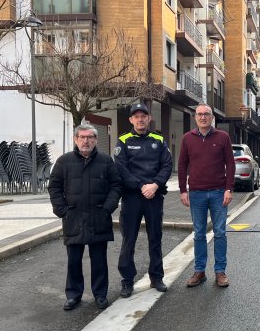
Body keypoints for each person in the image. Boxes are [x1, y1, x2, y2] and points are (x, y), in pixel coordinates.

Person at [48, 124, 122, 311]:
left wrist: (107, 208)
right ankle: (73, 295)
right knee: (73, 261)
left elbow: (116, 185)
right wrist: (62, 210)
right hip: (73, 217)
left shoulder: (106, 161)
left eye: (90, 137)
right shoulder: (64, 161)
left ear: (96, 140)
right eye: (82, 137)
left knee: (99, 260)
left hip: (99, 216)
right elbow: (54, 187)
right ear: (75, 139)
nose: (86, 141)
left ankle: (100, 294)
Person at [115, 102, 173, 297]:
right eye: (136, 116)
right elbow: (121, 168)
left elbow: (167, 165)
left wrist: (155, 185)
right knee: (128, 240)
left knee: (155, 239)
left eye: (143, 116)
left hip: (154, 196)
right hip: (132, 197)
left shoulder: (159, 139)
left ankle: (156, 277)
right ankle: (127, 281)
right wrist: (141, 186)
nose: (140, 119)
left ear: (149, 118)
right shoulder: (123, 140)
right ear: (131, 120)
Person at [178, 103, 235, 288]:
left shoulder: (223, 137)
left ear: (212, 117)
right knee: (199, 234)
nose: (203, 117)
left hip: (219, 193)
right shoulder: (187, 138)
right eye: (199, 114)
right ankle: (199, 271)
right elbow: (181, 166)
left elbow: (230, 165)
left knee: (220, 233)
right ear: (195, 117)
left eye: (206, 114)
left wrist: (229, 189)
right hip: (196, 194)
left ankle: (220, 272)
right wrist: (183, 190)